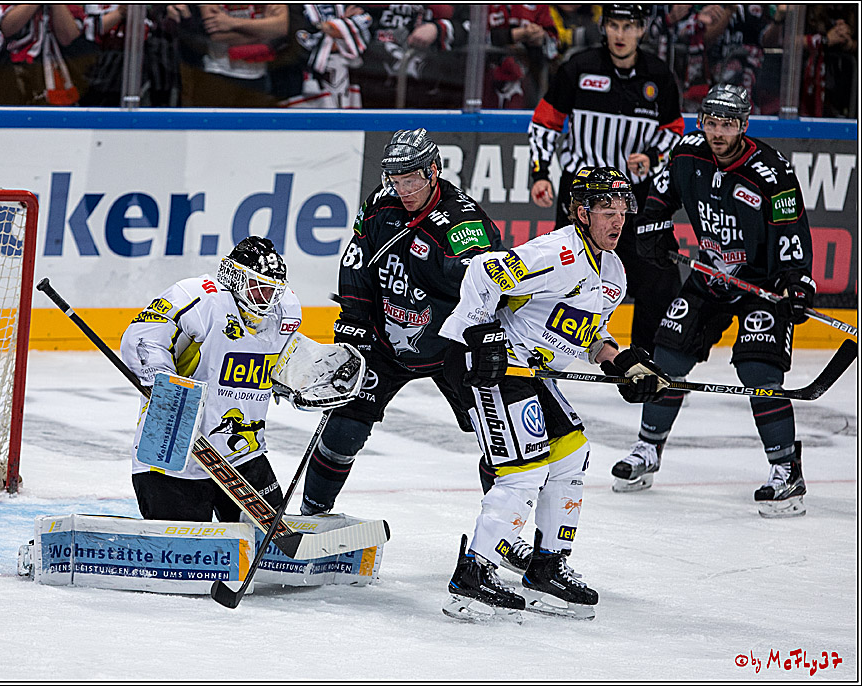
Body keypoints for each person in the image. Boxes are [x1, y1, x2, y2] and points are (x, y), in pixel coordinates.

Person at [439, 167, 670, 620]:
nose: (617, 221)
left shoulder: (613, 272)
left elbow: (586, 332)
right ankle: (472, 575)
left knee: (571, 455)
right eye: (607, 210)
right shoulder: (558, 253)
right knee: (523, 473)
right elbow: (483, 274)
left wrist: (617, 360)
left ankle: (545, 567)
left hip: (532, 371)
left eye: (623, 211)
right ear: (581, 213)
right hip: (492, 362)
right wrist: (481, 333)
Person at [614, 84, 816, 519]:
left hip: (760, 284)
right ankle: (648, 449)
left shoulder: (772, 172)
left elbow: (792, 231)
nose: (717, 132)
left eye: (728, 124)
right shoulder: (687, 153)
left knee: (758, 369)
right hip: (710, 275)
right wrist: (652, 227)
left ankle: (786, 470)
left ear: (744, 126)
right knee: (667, 353)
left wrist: (796, 283)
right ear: (700, 122)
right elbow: (660, 199)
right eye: (711, 122)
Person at [298, 128, 505, 516]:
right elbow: (357, 258)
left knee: (499, 435)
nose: (403, 188)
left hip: (450, 346)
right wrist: (352, 320)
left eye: (411, 178)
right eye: (395, 179)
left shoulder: (462, 225)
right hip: (384, 343)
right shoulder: (381, 203)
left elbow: (489, 284)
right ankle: (312, 514)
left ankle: (502, 527)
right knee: (344, 428)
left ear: (433, 171)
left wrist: (488, 334)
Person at [528, 4, 684, 355]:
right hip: (583, 197)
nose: (619, 34)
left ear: (642, 30)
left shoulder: (658, 76)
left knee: (658, 278)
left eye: (628, 26)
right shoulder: (579, 68)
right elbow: (545, 122)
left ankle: (647, 358)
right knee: (560, 277)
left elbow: (674, 130)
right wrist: (540, 173)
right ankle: (538, 351)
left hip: (636, 198)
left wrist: (653, 157)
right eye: (613, 25)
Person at [120, 236, 299, 521]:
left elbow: (283, 363)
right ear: (236, 278)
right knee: (184, 555)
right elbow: (141, 338)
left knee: (269, 549)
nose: (268, 299)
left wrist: (307, 383)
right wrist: (164, 387)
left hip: (243, 455)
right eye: (260, 288)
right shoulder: (198, 297)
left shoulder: (285, 310)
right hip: (175, 457)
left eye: (274, 291)